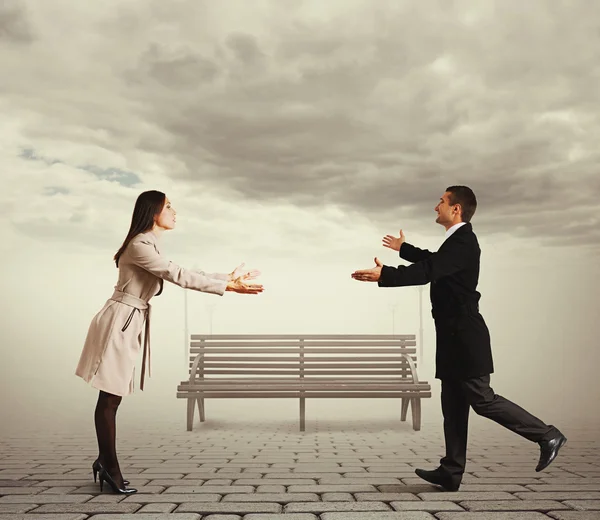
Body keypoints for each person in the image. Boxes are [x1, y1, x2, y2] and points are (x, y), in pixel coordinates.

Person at [351, 185, 566, 492]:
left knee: (481, 398)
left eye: (441, 201)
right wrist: (404, 249)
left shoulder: (464, 241)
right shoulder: (456, 243)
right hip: (452, 336)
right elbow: (434, 260)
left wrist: (386, 275)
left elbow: (431, 269)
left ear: (456, 209)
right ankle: (451, 471)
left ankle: (546, 435)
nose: (435, 206)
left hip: (465, 335)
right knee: (452, 403)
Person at [75, 190, 263, 495]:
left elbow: (182, 270)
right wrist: (227, 286)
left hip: (126, 320)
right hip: (118, 322)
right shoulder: (139, 245)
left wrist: (226, 277)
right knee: (109, 398)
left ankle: (105, 460)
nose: (175, 212)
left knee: (112, 397)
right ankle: (109, 466)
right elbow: (176, 274)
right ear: (153, 212)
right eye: (169, 206)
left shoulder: (148, 244)